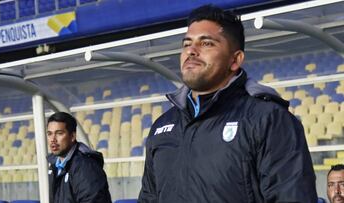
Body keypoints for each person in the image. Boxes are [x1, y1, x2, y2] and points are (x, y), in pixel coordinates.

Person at [138, 4, 317, 203]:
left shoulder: (268, 118)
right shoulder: (162, 126)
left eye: (206, 44)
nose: (191, 51)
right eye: (187, 44)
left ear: (235, 60)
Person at [46, 111, 112, 203]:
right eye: (49, 134)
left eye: (59, 133)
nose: (53, 139)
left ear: (72, 136)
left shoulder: (86, 166)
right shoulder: (53, 166)